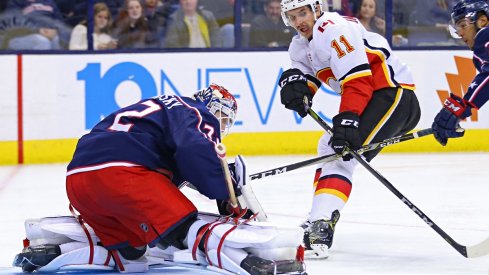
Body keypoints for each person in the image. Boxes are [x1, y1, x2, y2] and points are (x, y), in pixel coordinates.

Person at [12, 84, 306, 274]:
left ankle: (56, 252)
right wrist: (223, 192)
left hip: (79, 180)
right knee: (184, 228)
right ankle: (253, 263)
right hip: (124, 174)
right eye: (223, 119)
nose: (221, 126)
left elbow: (171, 160)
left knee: (132, 254)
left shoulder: (159, 109)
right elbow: (194, 149)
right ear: (213, 108)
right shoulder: (195, 110)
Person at [278, 0, 421, 259]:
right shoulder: (300, 45)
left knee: (341, 151)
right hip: (373, 98)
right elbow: (308, 74)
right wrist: (299, 89)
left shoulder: (334, 28)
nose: (299, 21)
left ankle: (322, 223)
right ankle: (318, 218)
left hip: (394, 95)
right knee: (330, 147)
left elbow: (359, 80)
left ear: (316, 10)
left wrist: (347, 119)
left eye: (303, 13)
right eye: (293, 16)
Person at [432, 0, 489, 146]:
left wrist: (463, 106)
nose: (460, 32)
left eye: (463, 25)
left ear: (482, 21)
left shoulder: (484, 37)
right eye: (458, 28)